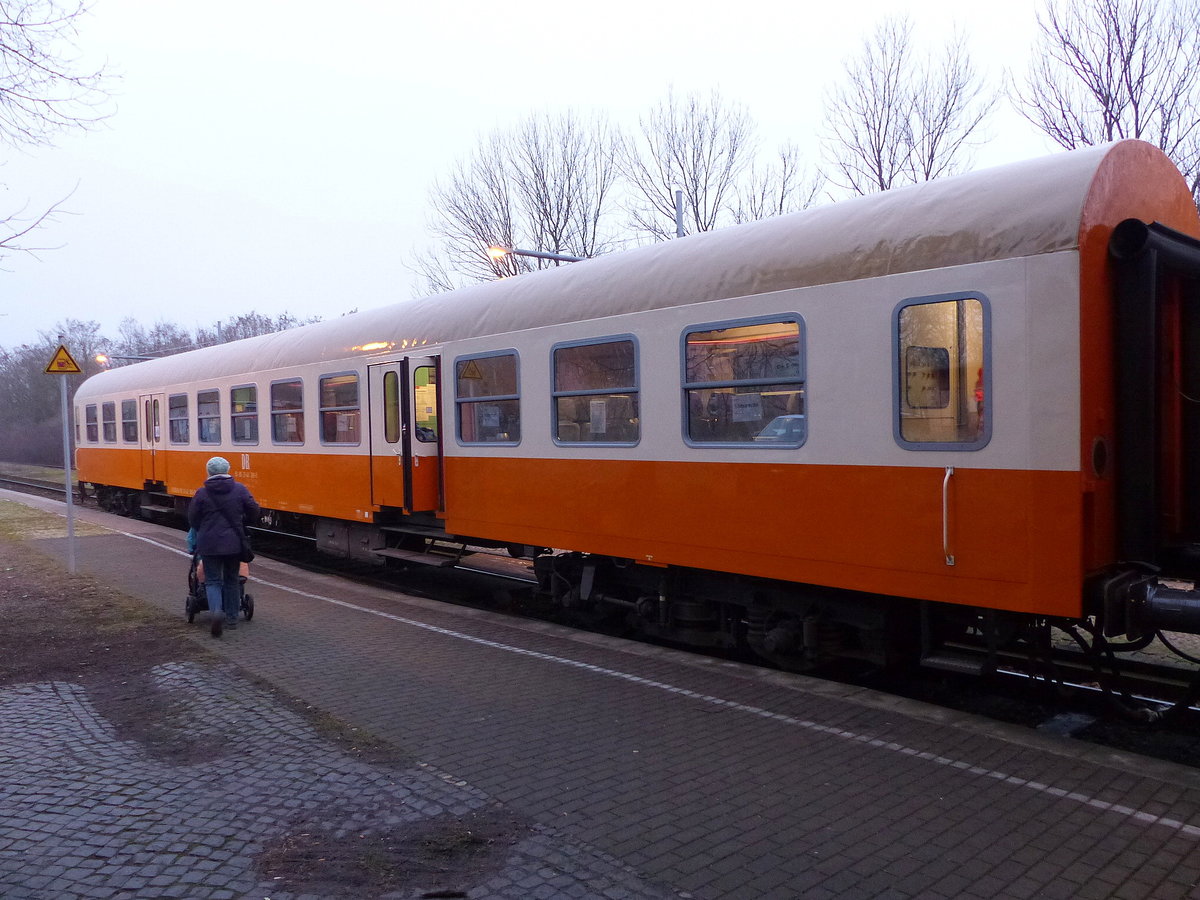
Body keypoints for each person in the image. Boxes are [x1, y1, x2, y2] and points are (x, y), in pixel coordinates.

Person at [187, 456, 259, 637]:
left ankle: (216, 612)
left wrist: (203, 528)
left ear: (208, 472)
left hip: (209, 544)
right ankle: (232, 618)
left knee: (212, 581)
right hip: (233, 543)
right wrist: (243, 522)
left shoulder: (202, 493)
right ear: (228, 470)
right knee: (232, 580)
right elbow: (254, 510)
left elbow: (192, 519)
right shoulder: (240, 489)